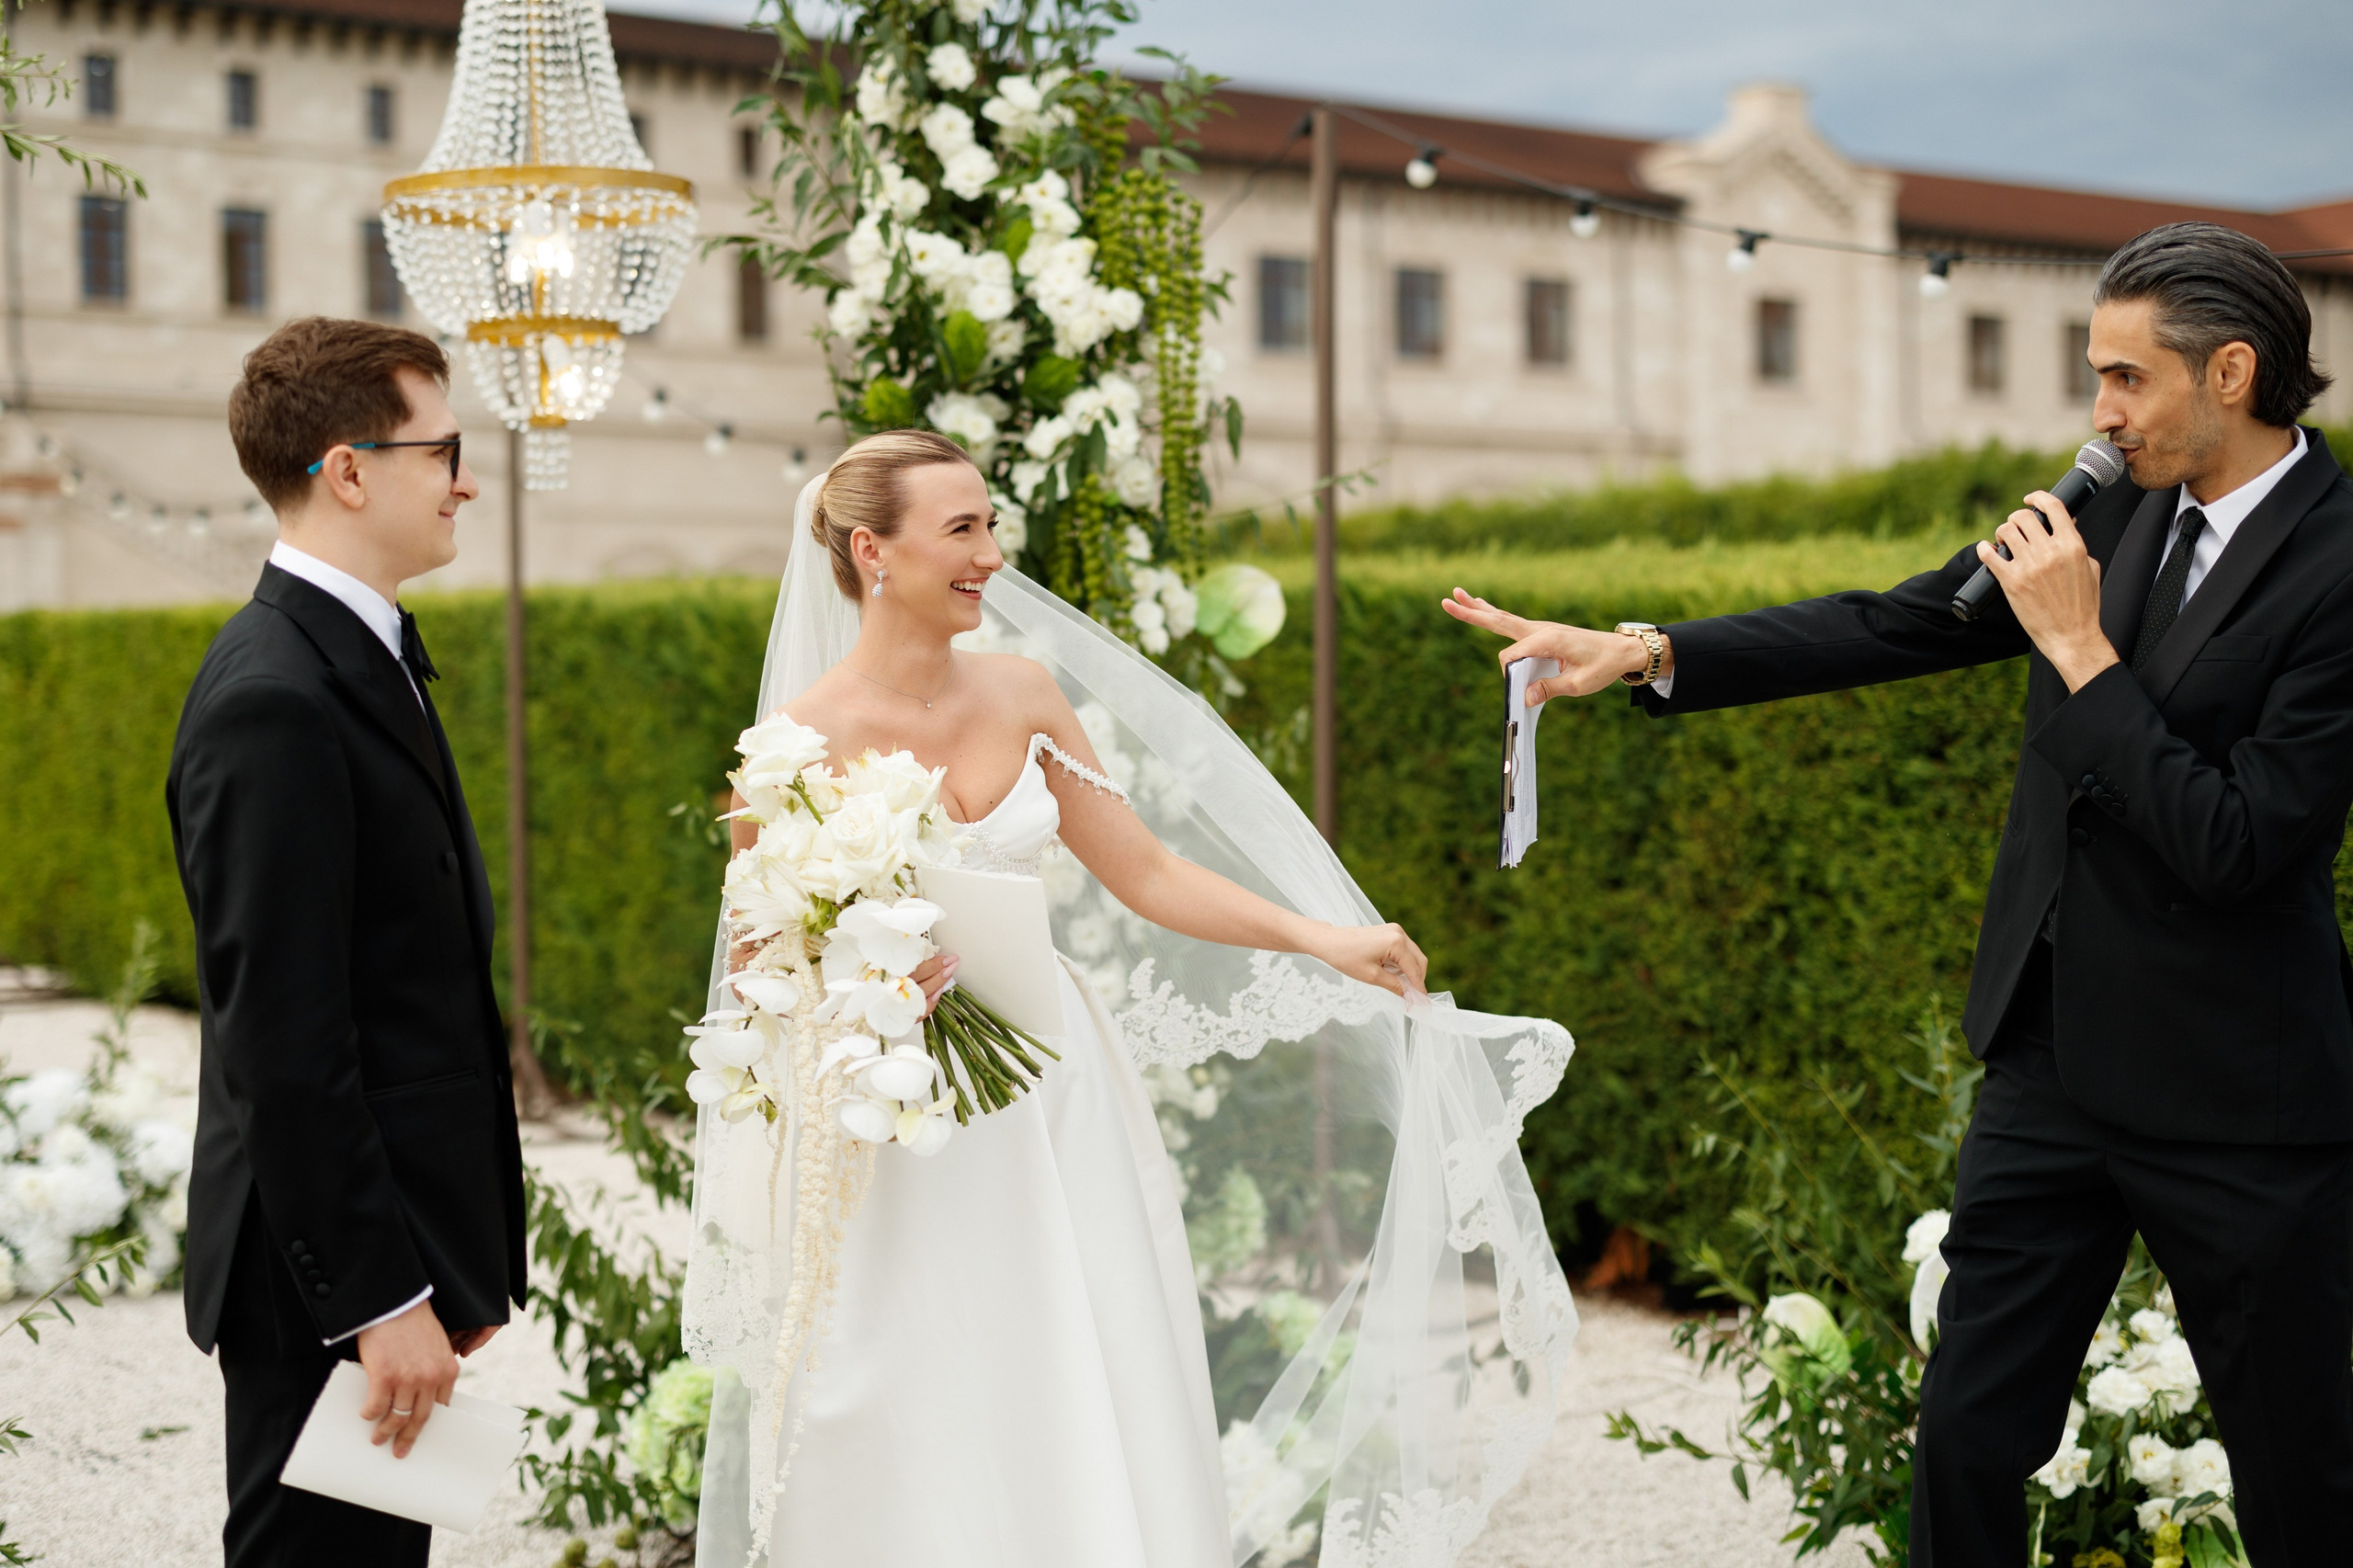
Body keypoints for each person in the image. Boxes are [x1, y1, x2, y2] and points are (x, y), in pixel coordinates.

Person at [1447, 221, 2352, 1563]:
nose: (2099, 416)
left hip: (2240, 1094)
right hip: (2050, 1063)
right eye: (2096, 377)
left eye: (2127, 379)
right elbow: (1906, 618)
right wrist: (1646, 649)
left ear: (2231, 371)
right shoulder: (2116, 500)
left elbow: (2237, 841)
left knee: (2300, 1482)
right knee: (1967, 1441)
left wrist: (2083, 654)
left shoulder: (2340, 564)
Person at [684, 430, 1578, 1568]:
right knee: (916, 1373)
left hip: (1056, 1090)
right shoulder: (791, 747)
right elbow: (758, 969)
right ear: (873, 550)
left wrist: (1320, 937)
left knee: (1082, 1354)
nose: (991, 554)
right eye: (962, 529)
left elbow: (1147, 871)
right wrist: (861, 987)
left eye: (990, 524)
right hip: (897, 1119)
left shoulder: (1022, 691)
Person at [166, 316, 526, 1566]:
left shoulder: (357, 651)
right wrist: (381, 1296)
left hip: (389, 1244)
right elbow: (283, 1036)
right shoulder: (275, 694)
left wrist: (451, 1256)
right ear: (350, 471)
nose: (466, 481)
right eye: (446, 451)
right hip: (318, 1276)